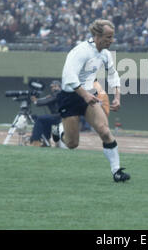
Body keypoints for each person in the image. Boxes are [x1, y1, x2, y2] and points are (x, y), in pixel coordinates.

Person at [57, 19, 130, 182]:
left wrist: (117, 97)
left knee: (104, 131)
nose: (111, 41)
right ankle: (59, 131)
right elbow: (69, 76)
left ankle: (116, 171)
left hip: (90, 94)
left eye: (112, 37)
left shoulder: (104, 54)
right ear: (97, 36)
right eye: (108, 37)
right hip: (70, 97)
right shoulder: (81, 51)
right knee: (72, 144)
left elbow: (113, 75)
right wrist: (84, 95)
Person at [29, 80, 62, 147]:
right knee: (45, 120)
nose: (53, 88)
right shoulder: (54, 95)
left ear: (60, 87)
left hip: (59, 117)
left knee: (40, 119)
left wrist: (36, 101)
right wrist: (37, 100)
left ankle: (36, 140)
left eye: (55, 86)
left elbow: (48, 101)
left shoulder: (59, 93)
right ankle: (46, 142)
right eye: (52, 87)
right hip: (56, 116)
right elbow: (46, 100)